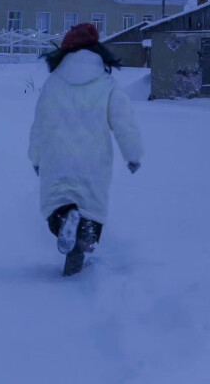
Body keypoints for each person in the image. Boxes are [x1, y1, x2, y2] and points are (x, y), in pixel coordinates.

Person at [28, 23, 143, 276]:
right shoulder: (106, 83)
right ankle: (84, 237)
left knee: (57, 208)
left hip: (57, 160)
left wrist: (36, 158)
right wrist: (132, 155)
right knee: (90, 213)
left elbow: (40, 124)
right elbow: (123, 122)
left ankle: (65, 223)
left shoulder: (53, 83)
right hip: (92, 162)